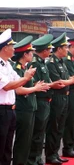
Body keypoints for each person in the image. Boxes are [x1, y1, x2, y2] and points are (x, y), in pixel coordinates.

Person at [45, 33, 74, 164]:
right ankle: (50, 155)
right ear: (59, 48)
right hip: (57, 97)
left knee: (61, 127)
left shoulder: (62, 62)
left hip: (65, 97)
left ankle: (56, 153)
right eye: (66, 47)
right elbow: (58, 82)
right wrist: (72, 80)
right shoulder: (51, 63)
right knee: (54, 128)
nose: (67, 49)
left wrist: (70, 80)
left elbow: (65, 80)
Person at [12, 36, 50, 165]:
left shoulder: (24, 68)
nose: (32, 54)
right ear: (25, 54)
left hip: (30, 107)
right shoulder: (17, 69)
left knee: (28, 140)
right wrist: (35, 88)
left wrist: (36, 86)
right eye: (30, 52)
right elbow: (19, 89)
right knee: (22, 141)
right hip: (23, 108)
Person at [27, 34, 65, 165]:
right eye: (49, 49)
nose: (50, 52)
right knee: (37, 133)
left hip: (46, 101)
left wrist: (51, 84)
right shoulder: (35, 64)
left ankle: (38, 158)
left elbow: (46, 81)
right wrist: (52, 85)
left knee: (41, 132)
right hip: (39, 101)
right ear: (44, 50)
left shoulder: (42, 63)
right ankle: (32, 159)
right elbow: (39, 84)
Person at [0, 29, 36, 165]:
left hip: (10, 110)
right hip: (1, 111)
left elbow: (18, 80)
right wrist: (26, 78)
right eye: (11, 46)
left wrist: (26, 77)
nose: (14, 49)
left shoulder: (8, 65)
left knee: (8, 146)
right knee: (1, 145)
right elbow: (8, 86)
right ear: (4, 48)